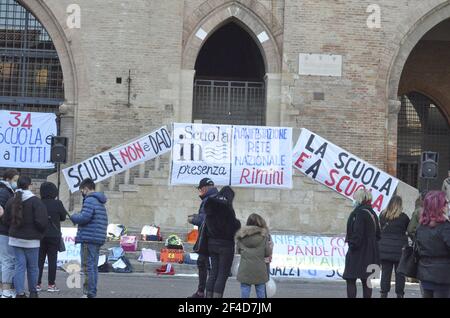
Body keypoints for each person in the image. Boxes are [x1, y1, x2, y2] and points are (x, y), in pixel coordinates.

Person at [3, 176, 48, 298]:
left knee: (19, 267)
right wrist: (40, 234)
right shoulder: (36, 201)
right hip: (32, 241)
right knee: (33, 267)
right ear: (30, 185)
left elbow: (6, 220)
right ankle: (33, 292)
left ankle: (20, 293)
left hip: (15, 240)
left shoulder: (12, 200)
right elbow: (42, 222)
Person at [70, 178, 108, 298]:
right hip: (97, 237)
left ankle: (88, 293)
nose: (82, 193)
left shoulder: (89, 200)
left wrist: (74, 217)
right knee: (93, 266)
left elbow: (85, 217)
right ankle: (92, 291)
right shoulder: (99, 201)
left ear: (86, 189)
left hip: (89, 237)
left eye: (82, 190)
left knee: (87, 267)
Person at [204, 186, 241, 298]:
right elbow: (232, 226)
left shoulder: (211, 204)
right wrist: (238, 223)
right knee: (222, 274)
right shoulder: (227, 208)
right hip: (225, 245)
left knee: (213, 272)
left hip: (212, 243)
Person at [343, 188, 380, 298]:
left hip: (359, 252)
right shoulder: (372, 213)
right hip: (371, 252)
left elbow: (357, 234)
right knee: (367, 281)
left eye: (354, 198)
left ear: (359, 199)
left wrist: (352, 245)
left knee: (350, 279)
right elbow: (378, 234)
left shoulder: (358, 213)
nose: (353, 200)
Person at [188, 178, 218, 298]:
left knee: (209, 266)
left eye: (200, 189)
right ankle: (202, 292)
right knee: (202, 263)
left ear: (204, 188)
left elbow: (206, 219)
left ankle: (207, 293)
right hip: (208, 238)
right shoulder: (215, 198)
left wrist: (193, 219)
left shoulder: (209, 200)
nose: (199, 191)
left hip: (209, 239)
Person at [416, 191, 450, 298]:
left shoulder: (421, 226)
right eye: (446, 203)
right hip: (443, 275)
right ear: (439, 206)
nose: (448, 205)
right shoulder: (445, 226)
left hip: (425, 272)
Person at [37, 182, 68, 293]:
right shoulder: (58, 203)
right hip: (54, 235)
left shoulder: (38, 202)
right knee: (52, 260)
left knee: (39, 261)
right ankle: (51, 284)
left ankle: (37, 284)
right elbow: (63, 217)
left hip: (40, 235)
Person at [378, 195, 410, 298]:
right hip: (399, 250)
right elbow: (408, 230)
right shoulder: (404, 217)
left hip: (385, 249)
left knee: (385, 273)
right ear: (400, 205)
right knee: (400, 274)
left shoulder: (382, 216)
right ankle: (399, 294)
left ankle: (384, 293)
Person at [235, 213, 273, 298]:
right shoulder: (264, 237)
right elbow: (267, 253)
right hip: (260, 269)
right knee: (260, 291)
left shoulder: (241, 236)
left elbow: (238, 251)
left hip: (245, 268)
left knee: (245, 290)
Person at [0, 169, 19, 298]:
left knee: (4, 260)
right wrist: (10, 220)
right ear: (8, 179)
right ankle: (6, 290)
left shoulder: (7, 191)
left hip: (4, 230)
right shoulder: (4, 192)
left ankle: (3, 289)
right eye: (15, 180)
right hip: (4, 231)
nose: (16, 183)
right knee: (8, 260)